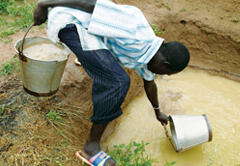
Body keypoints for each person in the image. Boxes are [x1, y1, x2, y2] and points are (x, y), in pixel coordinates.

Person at [33, 0, 190, 165]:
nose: (162, 75)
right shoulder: (133, 30)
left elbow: (149, 84)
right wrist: (44, 4)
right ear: (164, 64)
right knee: (117, 82)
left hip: (91, 32)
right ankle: (90, 147)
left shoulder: (150, 56)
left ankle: (88, 57)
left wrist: (158, 112)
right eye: (165, 73)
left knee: (114, 74)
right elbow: (91, 4)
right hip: (69, 21)